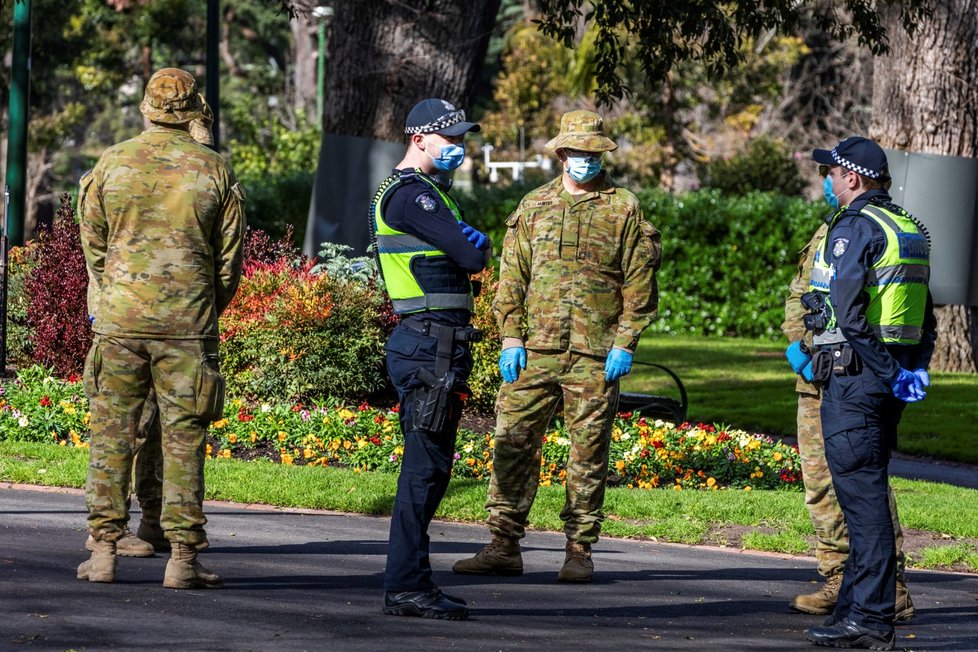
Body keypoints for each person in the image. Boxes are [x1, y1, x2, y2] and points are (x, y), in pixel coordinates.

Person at [453, 110, 661, 583]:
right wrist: (509, 336)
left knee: (588, 451)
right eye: (577, 153)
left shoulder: (623, 207)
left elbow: (639, 282)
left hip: (596, 353)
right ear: (562, 154)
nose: (584, 160)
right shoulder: (533, 206)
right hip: (535, 350)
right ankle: (503, 544)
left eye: (593, 153)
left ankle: (579, 551)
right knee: (512, 441)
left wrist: (626, 342)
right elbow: (512, 279)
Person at [76, 68, 246, 589]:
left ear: (146, 108)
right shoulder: (214, 170)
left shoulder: (111, 164)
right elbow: (228, 266)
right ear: (194, 111)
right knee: (183, 440)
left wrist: (118, 295)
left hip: (121, 322)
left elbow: (95, 250)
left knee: (111, 434)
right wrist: (198, 306)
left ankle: (103, 552)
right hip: (188, 327)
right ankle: (182, 561)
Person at [800, 136, 935, 650]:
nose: (827, 182)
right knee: (867, 494)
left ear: (852, 178)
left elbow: (850, 315)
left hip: (856, 380)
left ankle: (871, 620)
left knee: (863, 503)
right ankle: (855, 610)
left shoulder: (855, 227)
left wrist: (883, 370)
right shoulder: (907, 227)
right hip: (888, 379)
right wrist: (911, 370)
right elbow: (928, 317)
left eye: (831, 174)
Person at [372, 98, 489, 620]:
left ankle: (413, 583)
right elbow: (470, 257)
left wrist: (471, 246)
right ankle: (405, 588)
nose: (459, 148)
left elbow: (466, 253)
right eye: (450, 140)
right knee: (424, 471)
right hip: (428, 345)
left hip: (434, 344)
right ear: (419, 139)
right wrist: (475, 248)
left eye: (462, 138)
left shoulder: (426, 194)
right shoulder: (412, 197)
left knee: (432, 470)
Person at [782, 230, 914, 618]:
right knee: (821, 482)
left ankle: (892, 587)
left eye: (833, 173)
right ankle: (840, 576)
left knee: (860, 480)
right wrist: (800, 341)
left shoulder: (871, 228)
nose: (828, 181)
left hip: (853, 372)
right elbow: (801, 294)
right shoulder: (828, 229)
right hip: (814, 372)